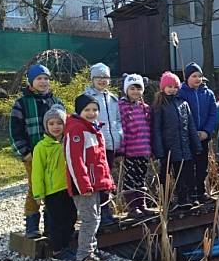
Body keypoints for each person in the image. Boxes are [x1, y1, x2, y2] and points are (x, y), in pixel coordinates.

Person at [9, 63, 63, 238]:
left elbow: (65, 127)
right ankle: (32, 225)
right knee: (35, 188)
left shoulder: (56, 102)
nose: (43, 82)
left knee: (54, 188)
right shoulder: (22, 103)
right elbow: (14, 131)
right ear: (31, 82)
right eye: (39, 78)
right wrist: (25, 152)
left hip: (55, 153)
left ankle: (51, 223)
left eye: (46, 78)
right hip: (33, 155)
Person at [65, 94, 115, 261]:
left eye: (95, 110)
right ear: (79, 111)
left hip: (94, 184)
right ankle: (84, 257)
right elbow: (74, 160)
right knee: (89, 220)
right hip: (84, 186)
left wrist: (107, 181)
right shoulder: (77, 130)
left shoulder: (93, 129)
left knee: (95, 218)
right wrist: (83, 185)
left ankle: (91, 251)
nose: (92, 113)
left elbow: (100, 160)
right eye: (87, 110)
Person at [31, 105, 76, 260]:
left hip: (69, 188)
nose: (56, 127)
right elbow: (37, 173)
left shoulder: (69, 142)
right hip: (52, 191)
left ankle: (67, 244)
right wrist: (38, 193)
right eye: (51, 124)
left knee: (70, 217)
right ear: (46, 126)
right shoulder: (41, 147)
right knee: (56, 221)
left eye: (59, 123)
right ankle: (57, 250)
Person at [152, 71, 201, 209]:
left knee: (185, 173)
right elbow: (156, 129)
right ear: (163, 88)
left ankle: (185, 198)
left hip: (184, 145)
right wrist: (159, 150)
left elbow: (190, 126)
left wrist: (196, 145)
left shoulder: (183, 103)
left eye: (175, 86)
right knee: (166, 174)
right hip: (168, 147)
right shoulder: (159, 105)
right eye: (169, 86)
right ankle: (166, 200)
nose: (172, 89)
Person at [82, 63, 122, 225]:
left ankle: (106, 210)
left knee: (107, 178)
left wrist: (119, 136)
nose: (102, 80)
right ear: (92, 79)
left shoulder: (113, 99)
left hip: (111, 145)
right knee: (96, 178)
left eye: (105, 77)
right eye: (99, 77)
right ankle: (96, 212)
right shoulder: (86, 98)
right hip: (95, 145)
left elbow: (118, 120)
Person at [178, 62, 218, 203]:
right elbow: (181, 115)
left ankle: (201, 192)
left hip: (203, 136)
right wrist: (192, 132)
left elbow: (213, 114)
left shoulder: (208, 93)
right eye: (194, 76)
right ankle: (191, 193)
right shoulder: (181, 93)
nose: (197, 79)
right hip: (188, 137)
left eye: (199, 76)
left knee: (202, 166)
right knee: (189, 166)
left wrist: (206, 131)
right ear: (187, 77)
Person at [118, 73, 152, 217]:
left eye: (138, 89)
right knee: (130, 179)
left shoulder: (145, 108)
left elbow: (149, 128)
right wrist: (121, 150)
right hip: (130, 151)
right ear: (126, 90)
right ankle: (132, 207)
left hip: (144, 150)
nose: (136, 92)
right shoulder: (122, 107)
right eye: (132, 89)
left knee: (141, 178)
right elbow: (122, 129)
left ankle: (141, 204)